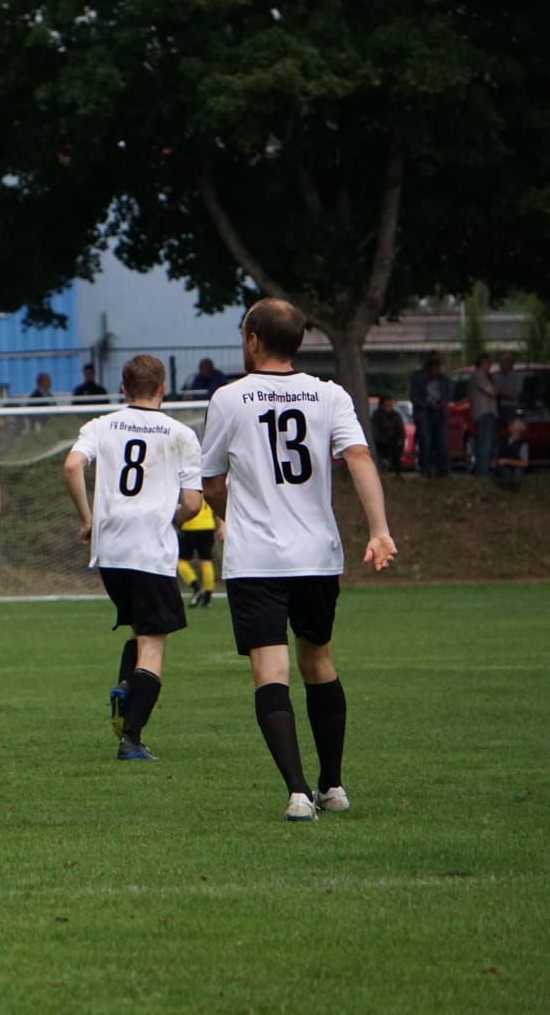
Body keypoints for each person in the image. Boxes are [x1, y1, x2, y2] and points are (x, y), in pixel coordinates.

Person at [201, 297, 396, 822]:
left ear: (253, 340)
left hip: (257, 558)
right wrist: (379, 530)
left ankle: (296, 791)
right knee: (318, 662)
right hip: (317, 554)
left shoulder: (229, 398)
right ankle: (333, 785)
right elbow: (358, 457)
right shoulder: (330, 395)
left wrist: (228, 513)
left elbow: (212, 481)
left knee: (271, 671)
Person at [63, 355, 202, 761]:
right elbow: (193, 504)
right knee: (154, 644)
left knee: (140, 630)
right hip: (150, 551)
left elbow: (72, 465)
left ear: (123, 389)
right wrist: (170, 517)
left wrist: (89, 518)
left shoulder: (101, 425)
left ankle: (126, 686)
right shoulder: (180, 434)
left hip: (111, 554)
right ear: (162, 388)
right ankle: (132, 740)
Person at [175, 500, 222, 608]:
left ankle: (197, 588)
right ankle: (208, 596)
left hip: (189, 526)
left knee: (181, 562)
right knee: (206, 561)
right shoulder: (207, 483)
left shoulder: (188, 484)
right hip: (208, 526)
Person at [409, 351, 449, 477]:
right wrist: (427, 404)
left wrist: (442, 403)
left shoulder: (443, 380)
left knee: (441, 442)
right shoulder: (418, 379)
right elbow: (414, 396)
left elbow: (448, 393)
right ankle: (425, 468)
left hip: (439, 414)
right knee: (425, 442)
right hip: (424, 414)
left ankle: (442, 469)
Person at [468, 353, 498, 477]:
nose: (490, 365)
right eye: (488, 362)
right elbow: (491, 391)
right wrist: (496, 388)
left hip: (489, 412)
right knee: (485, 442)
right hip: (484, 412)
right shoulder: (479, 375)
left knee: (489, 442)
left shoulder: (485, 376)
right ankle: (483, 471)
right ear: (483, 363)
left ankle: (487, 469)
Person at [493, 416, 529, 490]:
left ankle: (512, 485)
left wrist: (506, 461)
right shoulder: (503, 441)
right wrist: (496, 462)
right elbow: (495, 459)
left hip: (514, 471)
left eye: (516, 425)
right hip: (502, 470)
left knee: (515, 472)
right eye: (512, 425)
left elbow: (524, 463)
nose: (512, 426)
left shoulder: (523, 444)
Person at [371, 396, 406, 474]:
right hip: (381, 441)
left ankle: (397, 471)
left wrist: (401, 440)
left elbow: (401, 430)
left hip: (393, 441)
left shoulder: (396, 415)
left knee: (396, 450)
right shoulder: (377, 416)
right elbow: (375, 430)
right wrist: (380, 440)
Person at [494, 352, 524, 420]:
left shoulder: (517, 377)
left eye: (504, 363)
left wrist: (500, 392)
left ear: (511, 364)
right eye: (501, 363)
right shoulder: (495, 377)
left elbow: (514, 395)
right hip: (496, 409)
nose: (501, 365)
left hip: (513, 408)